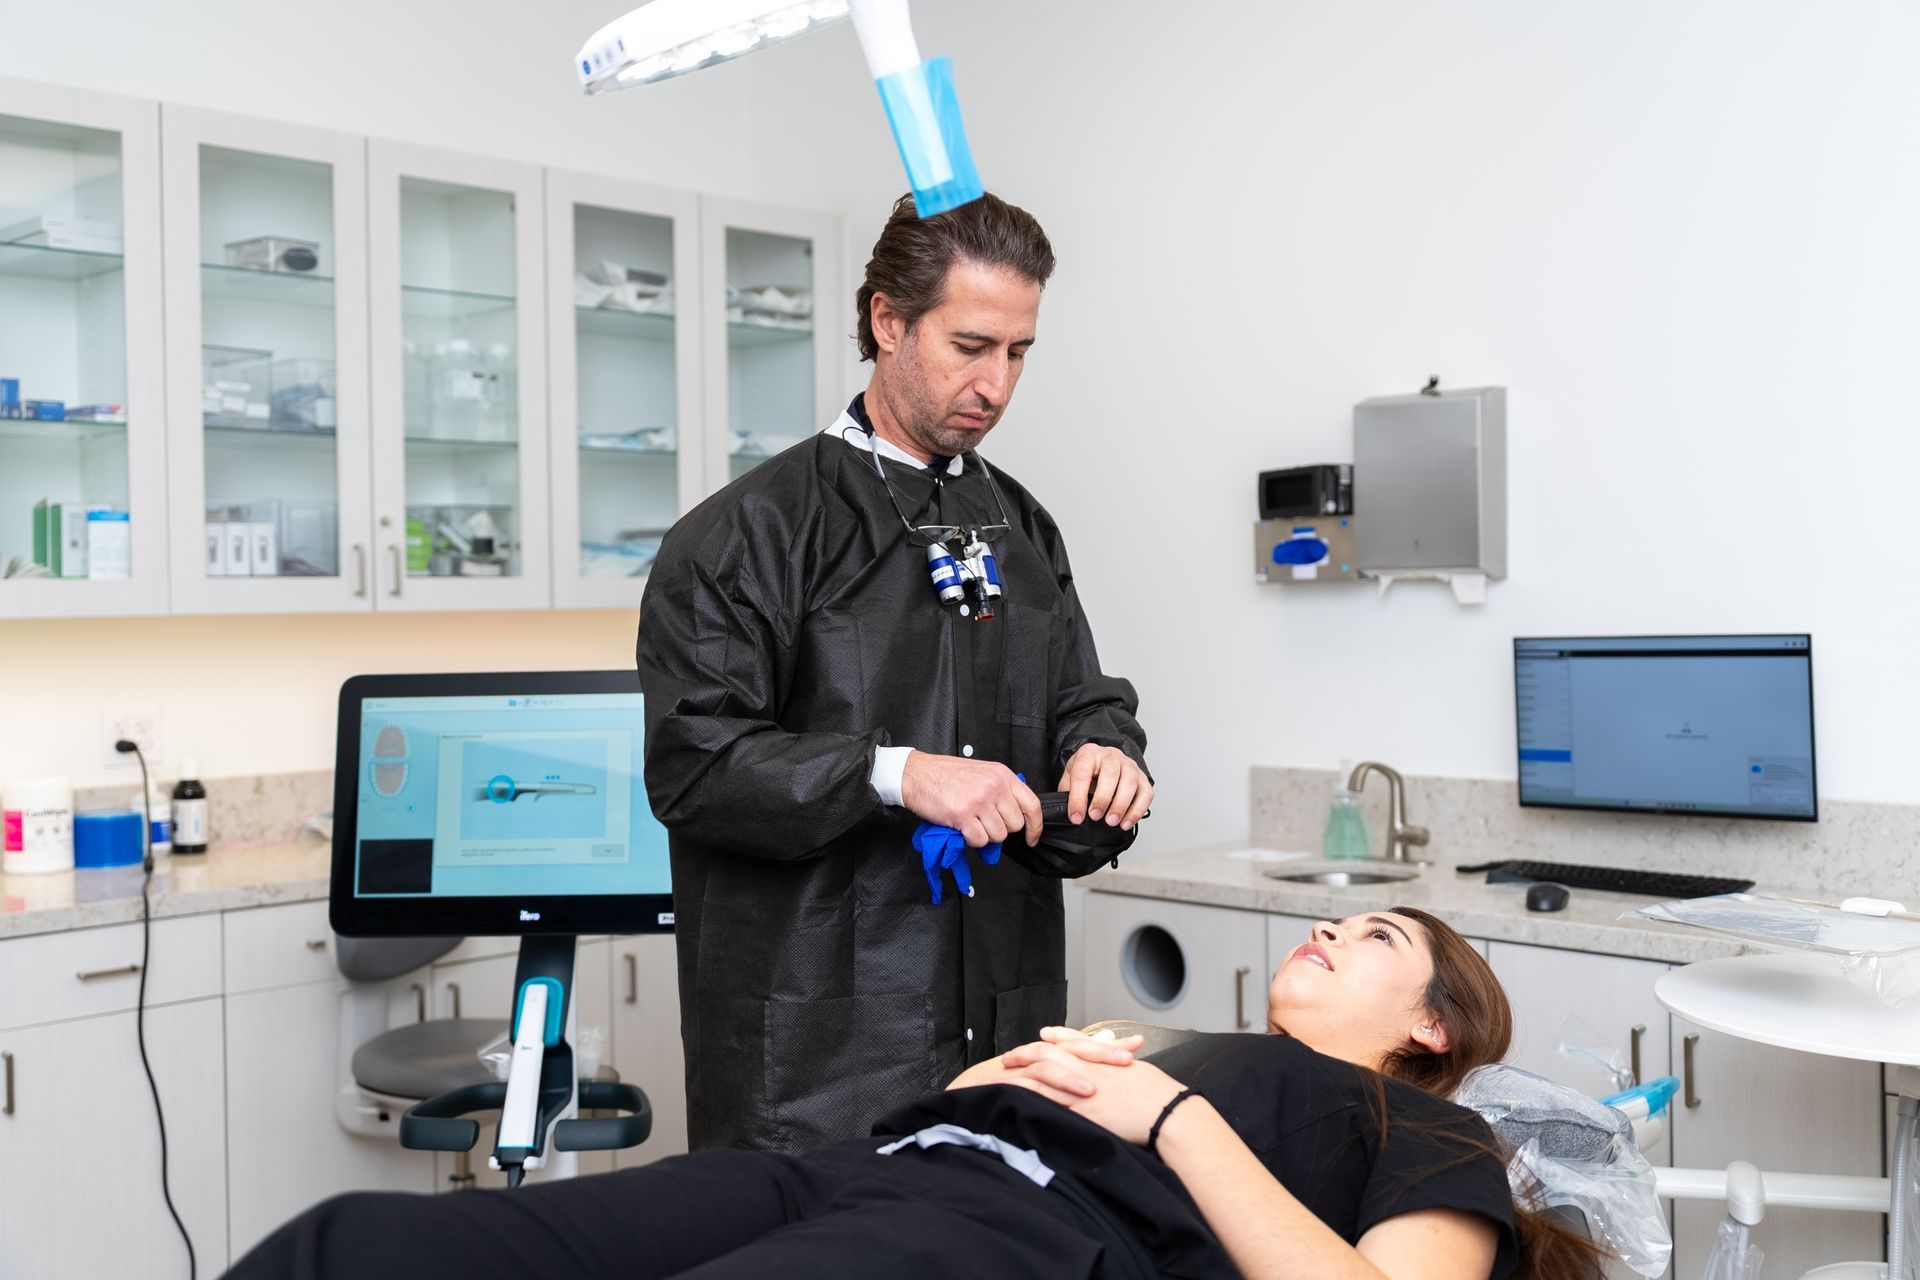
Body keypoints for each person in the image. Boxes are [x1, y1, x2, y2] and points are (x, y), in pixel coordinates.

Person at [226, 908, 1607, 1280]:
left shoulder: (1430, 1129)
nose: (1328, 929)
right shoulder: (1193, 1045)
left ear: (1432, 1023)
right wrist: (993, 1081)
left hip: (1027, 1231)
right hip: (859, 1168)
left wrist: (1162, 1116)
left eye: (1375, 936)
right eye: (1333, 917)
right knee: (356, 1243)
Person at [635, 191, 1152, 1152]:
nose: (996, 384)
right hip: (815, 1062)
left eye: (1019, 352)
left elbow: (1077, 697)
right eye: (970, 346)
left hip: (1005, 1036)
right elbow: (696, 764)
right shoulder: (747, 534)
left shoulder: (1019, 526)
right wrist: (899, 774)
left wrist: (1105, 750)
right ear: (887, 320)